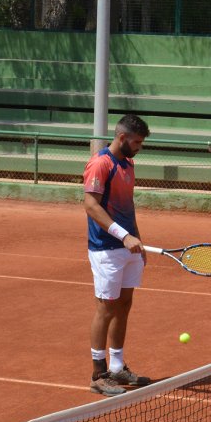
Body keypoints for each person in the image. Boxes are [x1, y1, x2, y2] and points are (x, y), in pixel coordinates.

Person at [83, 114, 152, 396]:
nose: (139, 147)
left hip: (128, 248)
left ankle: (117, 366)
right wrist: (124, 236)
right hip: (105, 249)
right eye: (137, 142)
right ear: (122, 137)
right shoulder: (101, 163)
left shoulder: (128, 163)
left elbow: (128, 207)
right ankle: (99, 374)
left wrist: (138, 239)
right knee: (106, 307)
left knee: (124, 304)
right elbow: (90, 205)